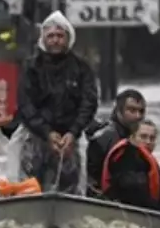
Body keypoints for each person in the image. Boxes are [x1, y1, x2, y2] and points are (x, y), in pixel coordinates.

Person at [11, 10, 99, 192]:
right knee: (26, 180)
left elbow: (88, 103)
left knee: (74, 183)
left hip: (71, 137)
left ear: (68, 38)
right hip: (36, 136)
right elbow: (25, 104)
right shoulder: (31, 68)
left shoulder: (82, 68)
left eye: (60, 35)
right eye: (50, 36)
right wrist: (46, 133)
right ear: (43, 39)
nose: (55, 40)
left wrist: (73, 133)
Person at [99, 119, 160, 214]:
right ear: (132, 137)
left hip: (140, 207)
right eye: (143, 137)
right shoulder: (125, 156)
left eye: (152, 138)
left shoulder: (143, 159)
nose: (148, 142)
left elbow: (152, 194)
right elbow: (132, 193)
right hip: (123, 208)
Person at [86, 88, 146, 195]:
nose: (138, 116)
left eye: (141, 111)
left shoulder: (139, 138)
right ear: (119, 111)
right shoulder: (105, 138)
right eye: (132, 110)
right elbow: (91, 180)